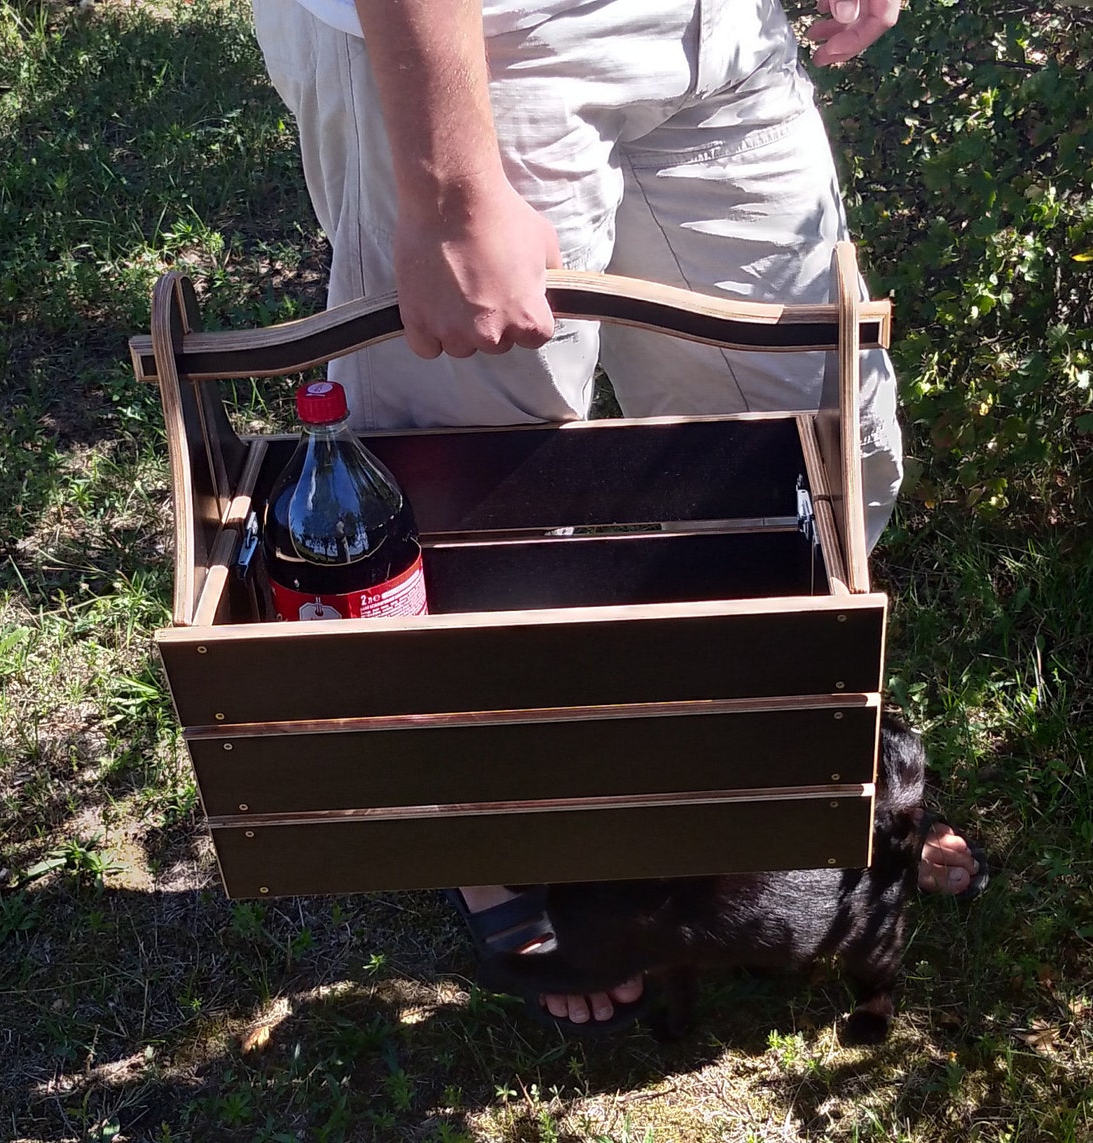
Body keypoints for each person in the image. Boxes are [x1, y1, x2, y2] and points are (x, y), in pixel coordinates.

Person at [252, 0, 987, 1031]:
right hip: (472, 40)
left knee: (827, 449)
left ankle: (762, 771)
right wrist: (452, 192)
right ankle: (499, 846)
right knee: (466, 501)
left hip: (709, 23)